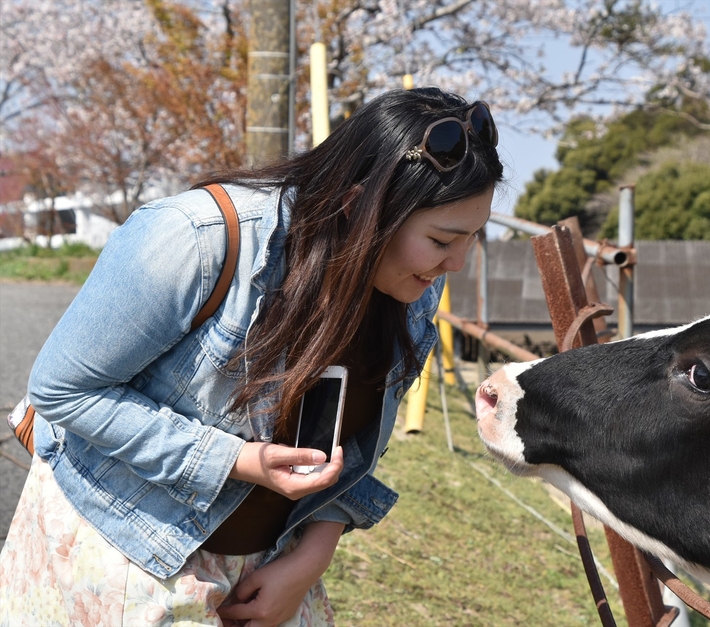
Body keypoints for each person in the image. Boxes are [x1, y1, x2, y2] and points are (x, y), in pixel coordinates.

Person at [0, 87, 504, 627]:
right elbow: (63, 389)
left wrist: (310, 560)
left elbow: (354, 448)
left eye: (474, 237)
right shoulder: (197, 238)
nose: (457, 262)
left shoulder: (412, 288)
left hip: (269, 569)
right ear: (360, 205)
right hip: (120, 546)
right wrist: (239, 462)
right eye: (443, 238)